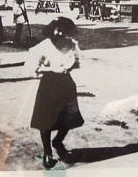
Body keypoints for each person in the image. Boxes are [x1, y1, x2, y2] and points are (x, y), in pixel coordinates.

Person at [27, 17, 84, 169]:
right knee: (45, 120)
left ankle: (57, 141)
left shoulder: (71, 44)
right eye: (57, 29)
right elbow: (32, 62)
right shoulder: (45, 45)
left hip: (66, 84)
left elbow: (77, 62)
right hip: (48, 84)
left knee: (69, 118)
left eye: (63, 30)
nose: (59, 32)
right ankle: (47, 153)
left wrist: (70, 67)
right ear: (51, 29)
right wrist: (44, 68)